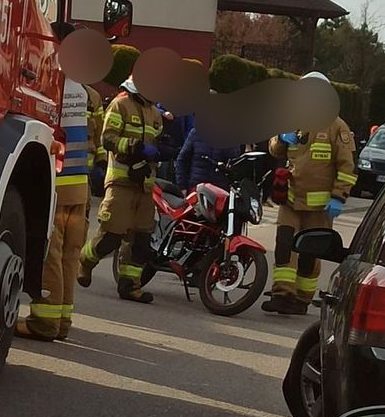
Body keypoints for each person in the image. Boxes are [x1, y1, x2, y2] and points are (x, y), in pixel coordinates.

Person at [17, 35, 100, 341]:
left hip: (55, 184)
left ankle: (45, 322)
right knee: (69, 256)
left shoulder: (51, 82)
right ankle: (62, 321)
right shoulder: (87, 92)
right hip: (80, 186)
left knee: (50, 253)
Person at [262, 71, 358, 315]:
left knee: (309, 252)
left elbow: (347, 166)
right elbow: (275, 149)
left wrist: (338, 196)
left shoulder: (337, 126)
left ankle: (302, 299)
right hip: (291, 199)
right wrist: (281, 139)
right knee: (285, 245)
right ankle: (282, 294)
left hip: (320, 205)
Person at [77, 76, 163, 303]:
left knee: (141, 240)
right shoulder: (120, 104)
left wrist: (163, 151)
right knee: (111, 237)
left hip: (145, 184)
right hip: (121, 181)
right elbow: (108, 139)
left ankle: (129, 285)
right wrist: (134, 147)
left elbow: (157, 143)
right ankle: (85, 261)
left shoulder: (155, 113)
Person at [176, 126, 241, 192]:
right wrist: (182, 186)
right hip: (197, 188)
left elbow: (235, 164)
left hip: (221, 190)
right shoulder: (195, 133)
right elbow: (182, 160)